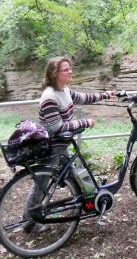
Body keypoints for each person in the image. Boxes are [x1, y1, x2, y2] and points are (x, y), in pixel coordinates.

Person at [24, 56, 115, 232]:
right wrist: (84, 122)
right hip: (51, 146)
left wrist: (105, 94)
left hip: (61, 144)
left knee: (75, 175)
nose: (70, 71)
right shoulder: (49, 96)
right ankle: (29, 222)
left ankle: (85, 206)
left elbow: (82, 97)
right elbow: (57, 127)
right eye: (66, 69)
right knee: (42, 183)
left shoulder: (63, 89)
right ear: (54, 73)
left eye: (70, 68)